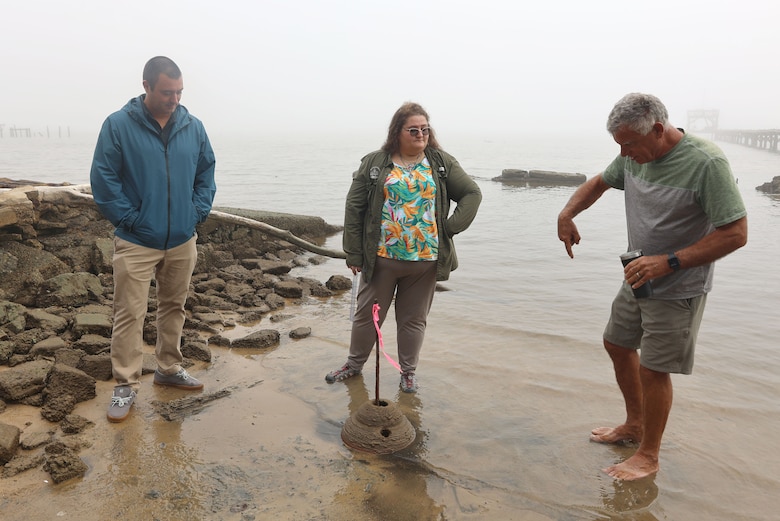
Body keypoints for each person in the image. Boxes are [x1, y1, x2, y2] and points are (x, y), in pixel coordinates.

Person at [557, 93, 747, 480]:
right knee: (617, 343)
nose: (625, 154)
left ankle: (649, 456)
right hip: (639, 274)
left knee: (655, 368)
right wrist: (567, 213)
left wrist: (668, 262)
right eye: (619, 146)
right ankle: (634, 425)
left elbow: (736, 233)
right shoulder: (631, 157)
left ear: (658, 130)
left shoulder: (706, 163)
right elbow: (599, 183)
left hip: (679, 284)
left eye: (629, 144)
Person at [90, 56, 217, 422]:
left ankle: (168, 368)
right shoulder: (117, 126)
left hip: (181, 238)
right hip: (136, 240)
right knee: (129, 312)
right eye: (166, 92)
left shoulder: (193, 127)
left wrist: (196, 213)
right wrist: (131, 219)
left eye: (179, 92)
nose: (174, 99)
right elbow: (104, 179)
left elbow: (205, 172)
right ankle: (125, 385)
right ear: (146, 86)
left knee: (173, 306)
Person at [325, 102, 482, 393]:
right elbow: (354, 207)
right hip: (382, 258)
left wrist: (449, 227)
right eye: (413, 129)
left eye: (425, 129)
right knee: (366, 316)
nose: (420, 134)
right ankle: (353, 365)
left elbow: (472, 193)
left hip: (425, 261)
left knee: (413, 321)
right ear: (398, 132)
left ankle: (407, 373)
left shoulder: (440, 162)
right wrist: (354, 252)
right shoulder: (375, 163)